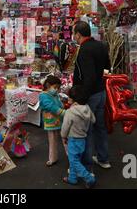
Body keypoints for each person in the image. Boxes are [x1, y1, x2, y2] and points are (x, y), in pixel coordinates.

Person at [72, 21, 111, 170]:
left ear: (78, 34)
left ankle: (86, 166)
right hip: (101, 92)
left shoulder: (84, 50)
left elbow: (88, 77)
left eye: (74, 34)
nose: (74, 37)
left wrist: (80, 99)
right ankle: (103, 159)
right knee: (100, 127)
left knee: (85, 129)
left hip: (91, 95)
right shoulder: (100, 45)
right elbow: (107, 66)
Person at [61, 85, 96, 188]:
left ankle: (89, 178)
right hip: (82, 140)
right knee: (75, 160)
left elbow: (65, 128)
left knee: (74, 161)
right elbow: (93, 120)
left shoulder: (70, 112)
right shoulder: (87, 108)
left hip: (73, 140)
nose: (68, 98)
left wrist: (63, 136)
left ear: (73, 99)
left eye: (69, 97)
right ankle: (72, 178)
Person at [39, 75, 65, 166]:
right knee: (52, 140)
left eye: (58, 88)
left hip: (59, 119)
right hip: (51, 121)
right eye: (55, 87)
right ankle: (52, 158)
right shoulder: (43, 95)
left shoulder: (55, 94)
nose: (57, 90)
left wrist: (62, 106)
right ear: (48, 85)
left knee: (65, 139)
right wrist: (61, 111)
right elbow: (49, 106)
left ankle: (72, 157)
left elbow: (59, 104)